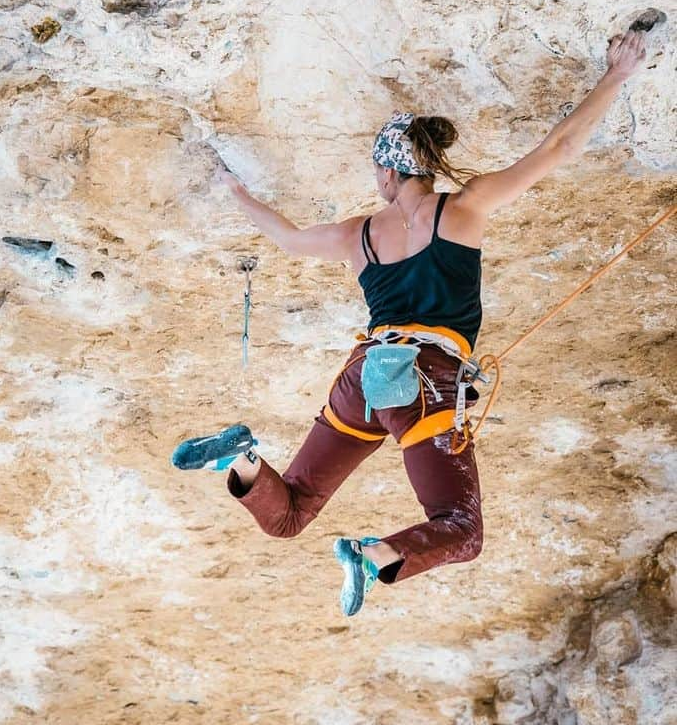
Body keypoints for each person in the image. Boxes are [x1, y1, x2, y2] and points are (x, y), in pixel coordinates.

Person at [173, 30, 649, 616]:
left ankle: (243, 456)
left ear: (390, 173)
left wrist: (234, 189)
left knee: (288, 515)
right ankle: (371, 558)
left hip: (364, 380)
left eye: (378, 171)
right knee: (460, 530)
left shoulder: (359, 235)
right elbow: (559, 148)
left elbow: (289, 238)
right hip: (423, 384)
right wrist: (616, 75)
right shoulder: (465, 207)